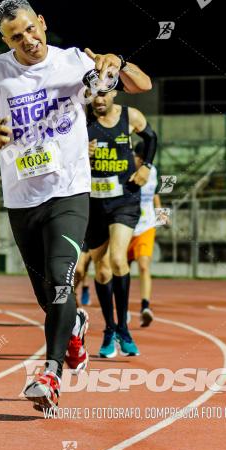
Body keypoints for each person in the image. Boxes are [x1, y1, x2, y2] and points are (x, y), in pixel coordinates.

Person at [0, 0, 151, 410]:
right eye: (15, 36)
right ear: (5, 40)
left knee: (62, 281)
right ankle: (75, 325)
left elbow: (137, 85)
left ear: (42, 23)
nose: (27, 40)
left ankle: (50, 374)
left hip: (70, 191)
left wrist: (118, 63)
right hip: (22, 197)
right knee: (50, 296)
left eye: (30, 29)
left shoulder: (75, 61)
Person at [85, 87, 158, 359]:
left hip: (124, 200)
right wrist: (82, 153)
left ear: (113, 93)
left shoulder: (130, 116)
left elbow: (151, 137)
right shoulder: (81, 121)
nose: (98, 100)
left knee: (118, 259)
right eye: (93, 95)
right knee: (102, 271)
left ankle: (124, 330)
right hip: (92, 203)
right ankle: (109, 329)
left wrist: (146, 166)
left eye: (103, 94)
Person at [127, 141, 163, 327]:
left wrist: (161, 213)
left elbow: (155, 193)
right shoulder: (126, 170)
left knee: (143, 266)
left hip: (145, 226)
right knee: (121, 270)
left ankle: (145, 307)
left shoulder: (153, 171)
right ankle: (122, 308)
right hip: (125, 226)